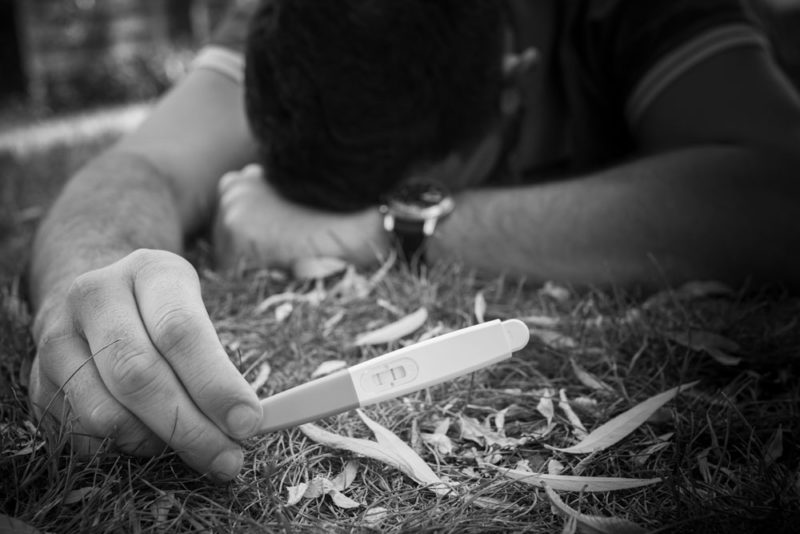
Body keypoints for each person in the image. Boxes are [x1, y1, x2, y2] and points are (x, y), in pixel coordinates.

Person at [26, 0, 800, 482]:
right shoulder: (302, 22)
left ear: (513, 82)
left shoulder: (636, 14)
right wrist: (92, 280)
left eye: (416, 181)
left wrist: (390, 228)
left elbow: (776, 189)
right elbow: (142, 166)